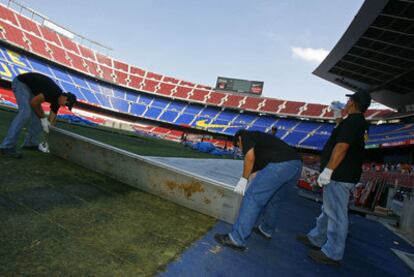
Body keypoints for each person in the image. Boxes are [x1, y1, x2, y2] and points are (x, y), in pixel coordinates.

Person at [297, 91, 371, 266]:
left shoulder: (353, 122)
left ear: (352, 103)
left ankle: (333, 253)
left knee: (336, 214)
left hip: (340, 174)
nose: (346, 102)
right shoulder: (358, 122)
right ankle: (317, 238)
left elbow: (342, 146)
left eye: (348, 100)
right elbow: (343, 135)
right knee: (328, 210)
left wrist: (329, 170)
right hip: (344, 173)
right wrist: (337, 117)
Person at [215, 130, 302, 251]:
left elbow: (249, 159)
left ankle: (236, 239)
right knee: (275, 199)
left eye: (239, 146)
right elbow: (255, 173)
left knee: (252, 198)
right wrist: (249, 180)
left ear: (239, 139)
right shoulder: (263, 149)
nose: (241, 149)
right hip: (296, 165)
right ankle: (266, 229)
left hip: (281, 164)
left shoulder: (244, 135)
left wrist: (243, 180)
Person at [0, 72, 77, 158]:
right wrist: (43, 120)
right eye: (66, 104)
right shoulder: (53, 91)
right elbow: (34, 103)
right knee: (25, 112)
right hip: (21, 83)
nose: (64, 106)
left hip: (31, 90)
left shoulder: (57, 101)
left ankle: (30, 143)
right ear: (65, 98)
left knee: (38, 117)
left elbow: (52, 119)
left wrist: (49, 130)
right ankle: (7, 146)